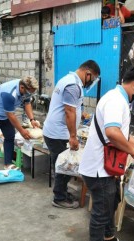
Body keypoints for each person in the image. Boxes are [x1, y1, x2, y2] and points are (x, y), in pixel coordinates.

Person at [79, 64, 134, 241]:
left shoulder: (118, 99)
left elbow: (123, 134)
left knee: (112, 202)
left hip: (104, 166)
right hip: (99, 168)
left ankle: (110, 240)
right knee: (101, 211)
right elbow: (112, 133)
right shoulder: (116, 101)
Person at [43, 60, 100, 209]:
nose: (91, 82)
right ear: (88, 73)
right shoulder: (73, 85)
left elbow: (71, 108)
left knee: (64, 164)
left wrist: (82, 115)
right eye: (92, 79)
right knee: (65, 165)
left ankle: (62, 192)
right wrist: (73, 136)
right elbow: (69, 111)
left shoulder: (69, 80)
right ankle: (59, 198)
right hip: (58, 133)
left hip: (56, 131)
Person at [0, 76, 40, 170]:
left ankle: (8, 164)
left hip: (4, 114)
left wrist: (32, 120)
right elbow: (11, 115)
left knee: (10, 135)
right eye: (30, 92)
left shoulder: (26, 90)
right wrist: (22, 131)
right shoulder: (9, 93)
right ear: (22, 87)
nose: (30, 94)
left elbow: (27, 103)